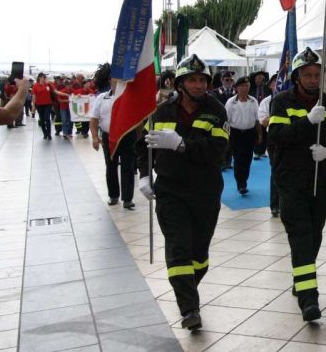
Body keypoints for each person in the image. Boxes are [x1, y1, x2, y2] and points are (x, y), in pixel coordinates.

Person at [136, 54, 229, 330]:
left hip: (205, 191)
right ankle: (189, 309)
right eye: (193, 80)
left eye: (202, 80)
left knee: (198, 254)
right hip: (170, 190)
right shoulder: (161, 110)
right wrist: (143, 175)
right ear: (180, 83)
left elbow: (218, 151)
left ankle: (188, 288)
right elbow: (143, 145)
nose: (199, 85)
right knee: (178, 248)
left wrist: (181, 144)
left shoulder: (217, 111)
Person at [268, 47, 326, 321]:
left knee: (315, 233)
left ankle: (301, 276)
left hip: (320, 177)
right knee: (301, 236)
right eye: (308, 75)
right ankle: (309, 299)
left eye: (317, 74)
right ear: (297, 76)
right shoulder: (281, 102)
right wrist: (307, 121)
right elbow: (279, 135)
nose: (314, 79)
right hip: (291, 181)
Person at [90, 80, 137, 209]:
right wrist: (94, 137)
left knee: (128, 166)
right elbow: (93, 119)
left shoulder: (130, 96)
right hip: (108, 136)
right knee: (110, 166)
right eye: (114, 79)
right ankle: (113, 195)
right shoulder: (101, 97)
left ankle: (128, 199)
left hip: (127, 135)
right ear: (110, 81)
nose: (117, 82)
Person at [225, 76, 260, 195]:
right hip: (235, 133)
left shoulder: (253, 101)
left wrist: (260, 135)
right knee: (238, 159)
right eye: (242, 86)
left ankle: (244, 179)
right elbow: (226, 121)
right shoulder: (231, 102)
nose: (244, 88)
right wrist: (226, 136)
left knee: (248, 159)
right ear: (236, 88)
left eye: (247, 86)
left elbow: (257, 120)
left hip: (250, 133)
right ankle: (241, 184)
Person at [258, 75, 280, 217]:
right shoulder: (267, 101)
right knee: (276, 170)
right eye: (276, 83)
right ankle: (275, 204)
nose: (278, 86)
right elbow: (263, 121)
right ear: (271, 86)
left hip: (293, 138)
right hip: (274, 139)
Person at [211, 70, 236, 169]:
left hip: (233, 121)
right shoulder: (215, 92)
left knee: (232, 141)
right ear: (222, 80)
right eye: (227, 80)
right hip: (220, 121)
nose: (229, 82)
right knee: (222, 140)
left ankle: (228, 162)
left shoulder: (236, 91)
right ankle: (221, 161)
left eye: (231, 80)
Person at [250, 70, 271, 160]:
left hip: (264, 113)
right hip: (253, 113)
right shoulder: (251, 89)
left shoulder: (268, 89)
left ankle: (262, 151)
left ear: (263, 79)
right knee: (255, 133)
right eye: (256, 78)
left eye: (260, 78)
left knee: (264, 132)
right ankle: (256, 151)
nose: (257, 80)